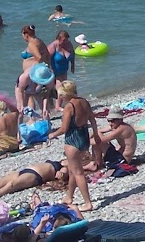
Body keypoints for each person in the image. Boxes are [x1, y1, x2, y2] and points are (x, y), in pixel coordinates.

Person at [56, 80, 97, 211]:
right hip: (84, 137)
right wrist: (95, 134)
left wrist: (51, 135)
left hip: (73, 140)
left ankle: (87, 203)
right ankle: (69, 196)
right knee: (73, 169)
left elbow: (64, 128)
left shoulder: (69, 106)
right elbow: (92, 119)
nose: (60, 97)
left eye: (61, 95)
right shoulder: (84, 101)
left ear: (67, 93)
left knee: (78, 172)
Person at [0, 161, 66, 200]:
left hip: (36, 176)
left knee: (11, 185)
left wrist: (62, 173)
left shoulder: (65, 166)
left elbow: (65, 173)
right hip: (26, 170)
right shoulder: (61, 161)